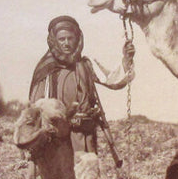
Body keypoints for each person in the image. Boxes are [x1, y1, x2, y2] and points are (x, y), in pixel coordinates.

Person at [27, 15, 134, 153]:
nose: (66, 43)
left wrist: (126, 60)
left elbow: (113, 80)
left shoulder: (84, 65)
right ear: (54, 41)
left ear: (77, 39)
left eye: (70, 38)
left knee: (86, 172)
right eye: (61, 39)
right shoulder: (45, 69)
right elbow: (35, 107)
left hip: (84, 138)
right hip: (55, 140)